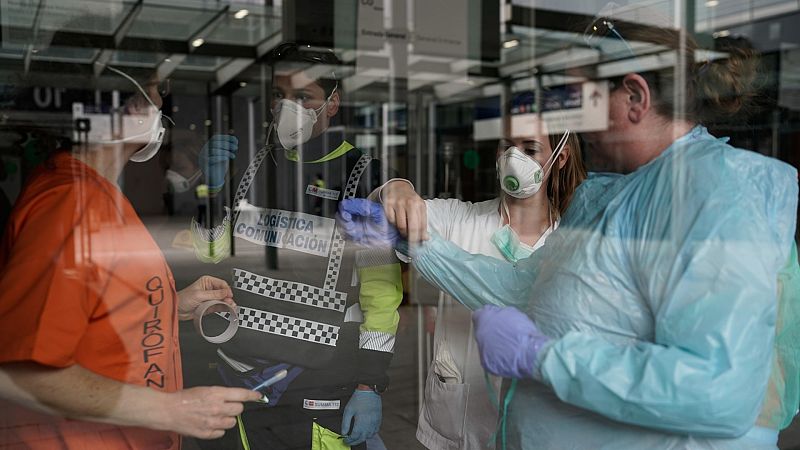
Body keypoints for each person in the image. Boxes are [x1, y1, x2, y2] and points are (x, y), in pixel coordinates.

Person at [341, 21, 800, 450]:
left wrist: (541, 357)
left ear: (634, 97)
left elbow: (718, 391)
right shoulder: (609, 195)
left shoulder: (716, 199)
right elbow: (527, 286)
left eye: (582, 101)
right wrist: (417, 243)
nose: (574, 124)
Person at [0, 63, 261, 449]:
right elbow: (19, 370)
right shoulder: (70, 204)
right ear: (130, 106)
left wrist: (172, 304)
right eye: (157, 88)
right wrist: (173, 410)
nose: (161, 101)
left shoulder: (99, 192)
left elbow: (87, 309)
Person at [193, 42, 403, 450]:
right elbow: (209, 254)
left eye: (303, 97)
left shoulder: (366, 180)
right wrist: (209, 190)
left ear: (333, 103)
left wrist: (370, 383)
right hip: (234, 372)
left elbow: (381, 296)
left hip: (317, 384)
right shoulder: (248, 167)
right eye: (279, 95)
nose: (287, 107)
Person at [364, 117, 585, 449]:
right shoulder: (459, 219)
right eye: (506, 145)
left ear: (560, 158)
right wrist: (394, 187)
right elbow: (376, 212)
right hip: (455, 422)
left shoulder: (572, 241)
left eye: (530, 148)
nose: (514, 157)